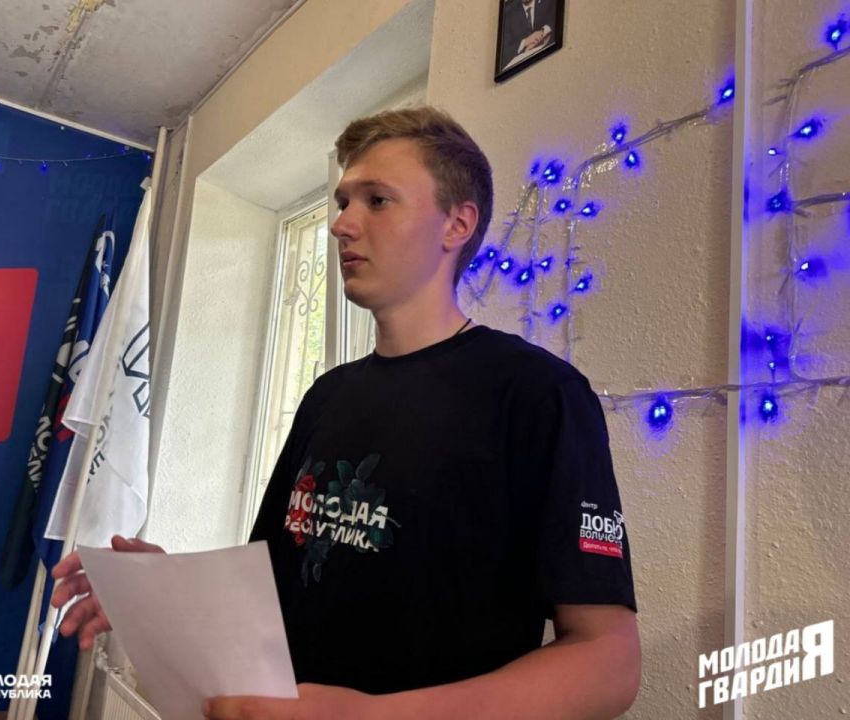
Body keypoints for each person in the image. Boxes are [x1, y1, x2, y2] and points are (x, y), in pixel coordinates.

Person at [52, 106, 641, 720]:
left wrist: (371, 716)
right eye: (342, 203)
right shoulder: (327, 396)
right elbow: (279, 599)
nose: (342, 225)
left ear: (457, 224)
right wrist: (167, 596)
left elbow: (609, 663)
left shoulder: (538, 393)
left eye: (377, 201)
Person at [500, 0, 558, 67]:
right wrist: (525, 42)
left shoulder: (548, 2)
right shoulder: (508, 12)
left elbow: (556, 17)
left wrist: (542, 32)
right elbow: (504, 52)